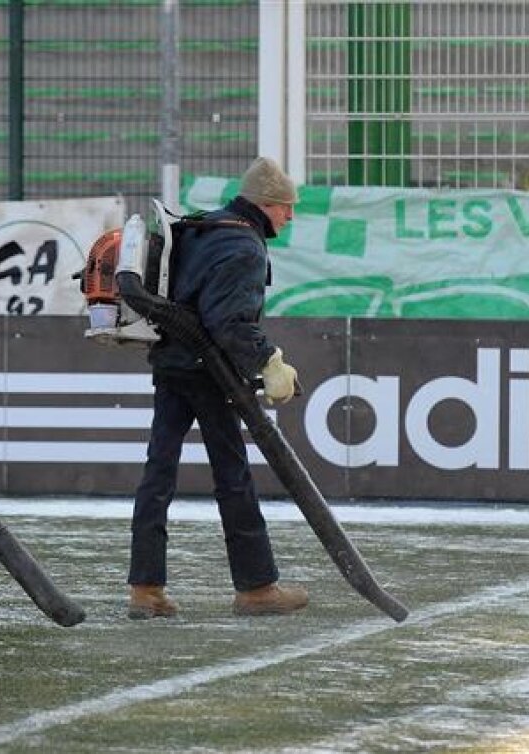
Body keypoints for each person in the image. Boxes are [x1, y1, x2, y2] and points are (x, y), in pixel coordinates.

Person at [127, 156, 309, 620]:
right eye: (287, 208)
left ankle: (145, 589)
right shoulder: (244, 247)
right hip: (211, 372)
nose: (290, 217)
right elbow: (228, 322)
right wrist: (268, 360)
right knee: (233, 477)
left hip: (171, 363)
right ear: (266, 205)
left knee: (158, 473)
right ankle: (256, 587)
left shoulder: (202, 227)